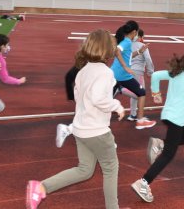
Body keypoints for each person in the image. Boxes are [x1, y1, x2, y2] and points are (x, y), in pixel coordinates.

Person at [26, 30, 125, 209]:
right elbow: (98, 99)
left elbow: (80, 99)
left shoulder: (83, 71)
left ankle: (41, 187)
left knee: (84, 170)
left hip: (80, 130)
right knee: (111, 169)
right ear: (106, 49)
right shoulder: (105, 72)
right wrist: (117, 106)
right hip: (98, 132)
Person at [131, 46, 184, 203]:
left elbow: (155, 75)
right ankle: (143, 182)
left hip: (168, 116)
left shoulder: (178, 70)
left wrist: (156, 93)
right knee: (169, 154)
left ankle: (160, 143)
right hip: (176, 120)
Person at [110, 20, 155, 130]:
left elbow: (128, 56)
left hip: (115, 75)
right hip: (122, 75)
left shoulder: (126, 41)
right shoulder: (127, 42)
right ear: (134, 32)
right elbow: (116, 51)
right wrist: (125, 67)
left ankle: (91, 120)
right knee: (141, 92)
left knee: (104, 100)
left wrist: (140, 51)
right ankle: (140, 120)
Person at [126, 29, 155, 122]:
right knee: (141, 93)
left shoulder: (128, 45)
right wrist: (150, 71)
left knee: (135, 92)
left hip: (128, 72)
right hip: (138, 73)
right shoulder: (143, 46)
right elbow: (148, 59)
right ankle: (140, 117)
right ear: (140, 37)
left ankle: (133, 114)